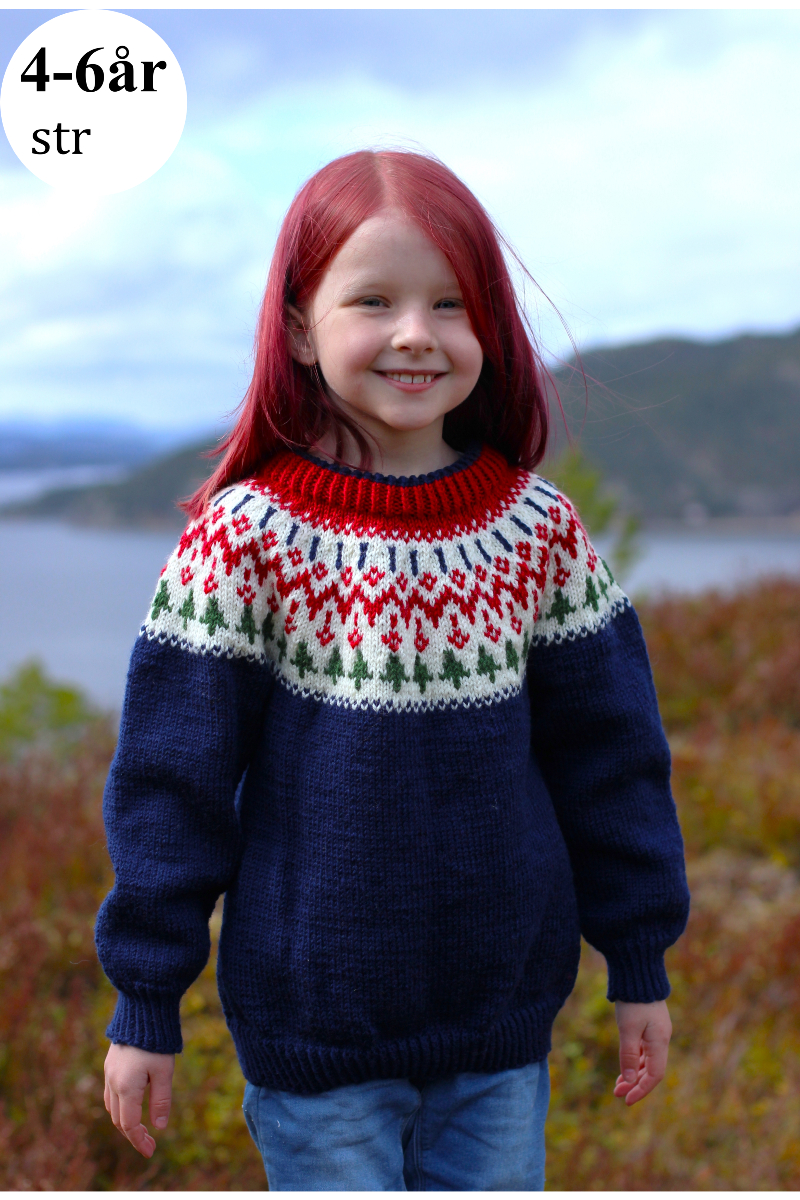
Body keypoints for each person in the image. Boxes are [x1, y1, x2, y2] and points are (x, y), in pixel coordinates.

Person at [97, 149, 690, 1190]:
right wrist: (145, 999)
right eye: (373, 300)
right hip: (313, 1033)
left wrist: (637, 959)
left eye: (450, 304)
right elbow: (171, 788)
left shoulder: (536, 532)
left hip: (500, 1029)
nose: (416, 333)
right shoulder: (245, 540)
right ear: (298, 326)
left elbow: (614, 764)